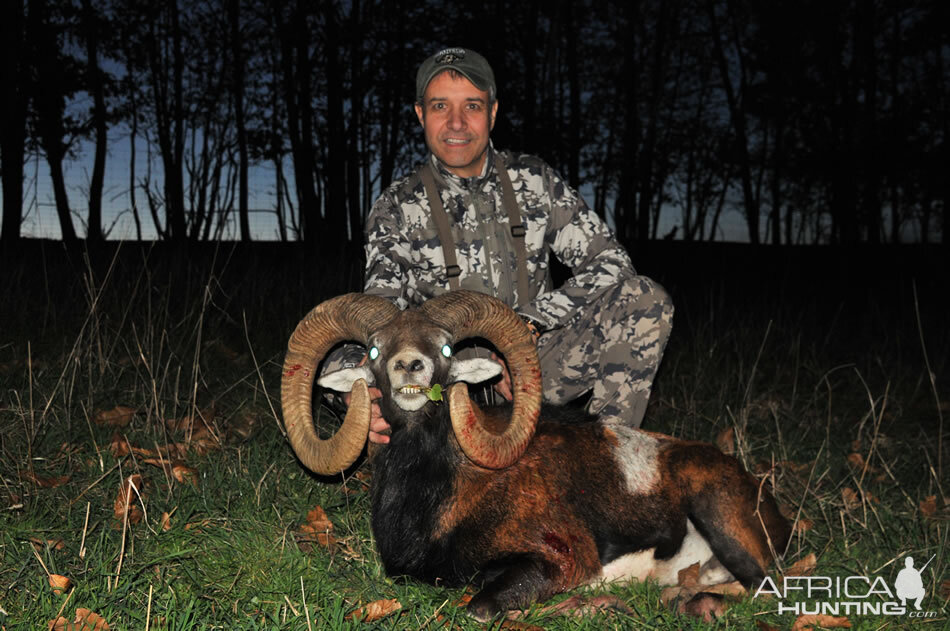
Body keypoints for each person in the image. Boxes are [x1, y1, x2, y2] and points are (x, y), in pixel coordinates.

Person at [331, 47, 673, 444]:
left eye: (472, 105)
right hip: (445, 388)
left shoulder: (536, 180)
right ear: (421, 114)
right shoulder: (395, 207)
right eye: (441, 105)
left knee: (645, 300)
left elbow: (612, 262)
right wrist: (354, 396)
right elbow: (378, 320)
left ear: (492, 112)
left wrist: (528, 326)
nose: (456, 123)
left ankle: (607, 461)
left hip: (536, 366)